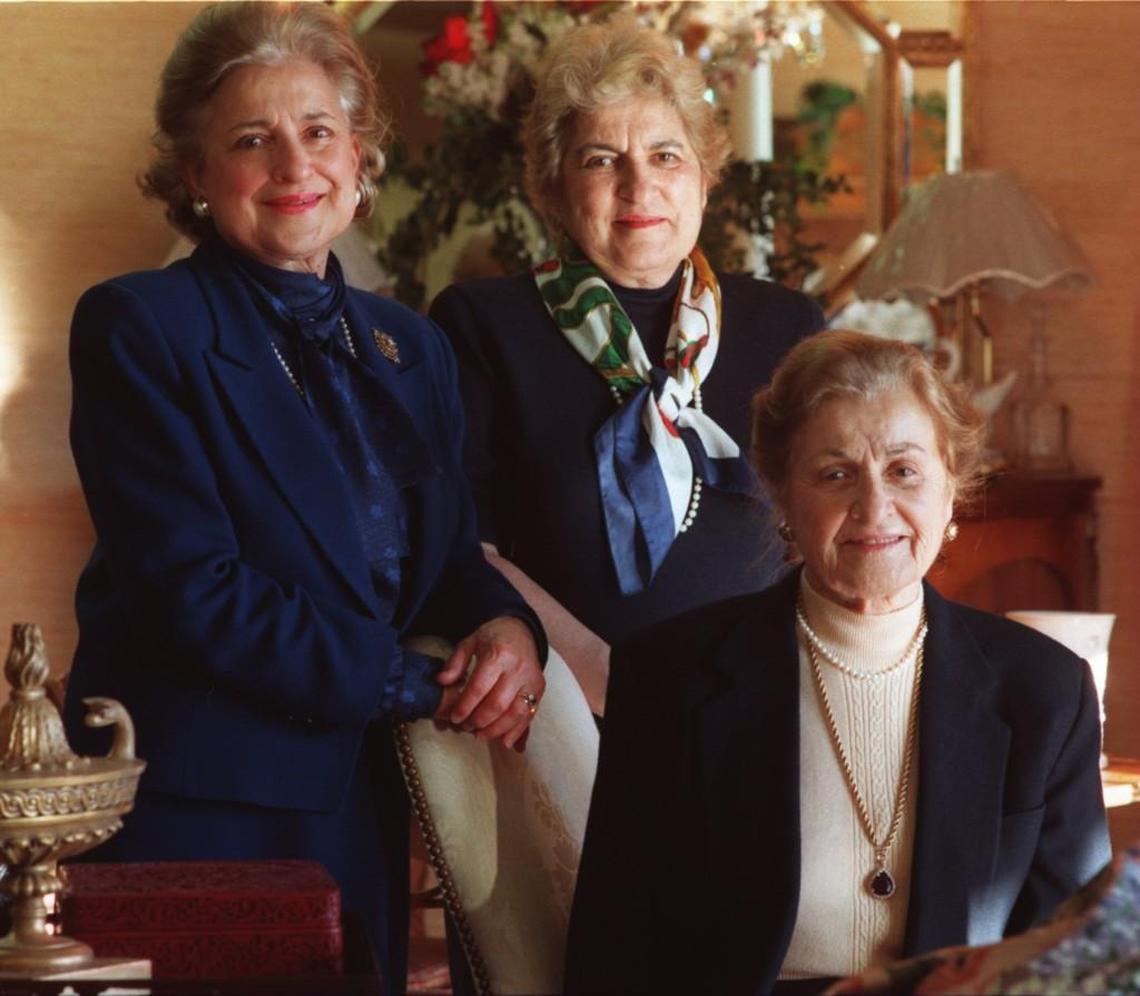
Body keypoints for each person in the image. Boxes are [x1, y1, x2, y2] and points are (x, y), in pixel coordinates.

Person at [61, 4, 545, 991]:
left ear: (359, 158)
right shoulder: (137, 327)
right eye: (252, 140)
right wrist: (418, 688)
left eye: (318, 132)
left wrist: (506, 629)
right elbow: (190, 590)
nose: (295, 165)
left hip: (355, 808)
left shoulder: (411, 347)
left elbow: (445, 557)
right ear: (196, 176)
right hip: (197, 811)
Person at [564, 330, 1111, 994]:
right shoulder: (669, 677)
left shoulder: (1046, 692)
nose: (874, 508)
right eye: (836, 473)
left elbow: (1072, 963)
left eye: (904, 470)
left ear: (951, 490)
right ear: (785, 495)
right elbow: (612, 951)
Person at [429, 17, 824, 714]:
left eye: (667, 156)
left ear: (705, 179)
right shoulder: (483, 324)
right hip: (568, 707)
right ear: (553, 189)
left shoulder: (786, 326)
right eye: (600, 159)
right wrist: (609, 683)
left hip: (759, 709)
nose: (639, 185)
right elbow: (465, 546)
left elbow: (826, 534)